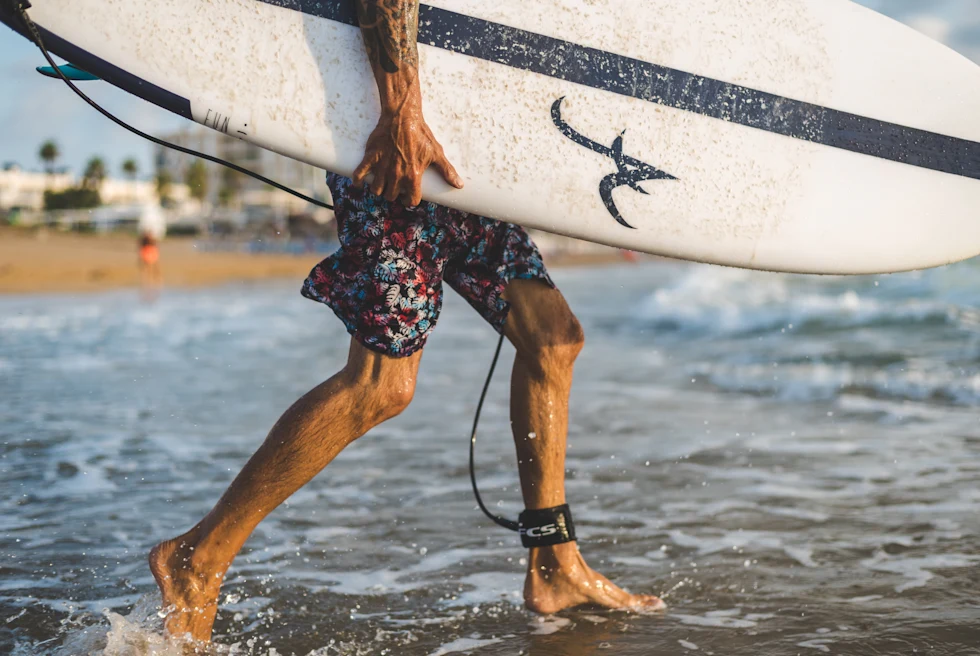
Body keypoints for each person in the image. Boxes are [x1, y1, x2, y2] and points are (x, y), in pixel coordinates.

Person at [149, 0, 663, 643]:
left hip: (458, 149)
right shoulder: (393, 120)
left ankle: (554, 563)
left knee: (553, 338)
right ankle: (198, 558)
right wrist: (399, 110)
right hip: (391, 138)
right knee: (381, 384)